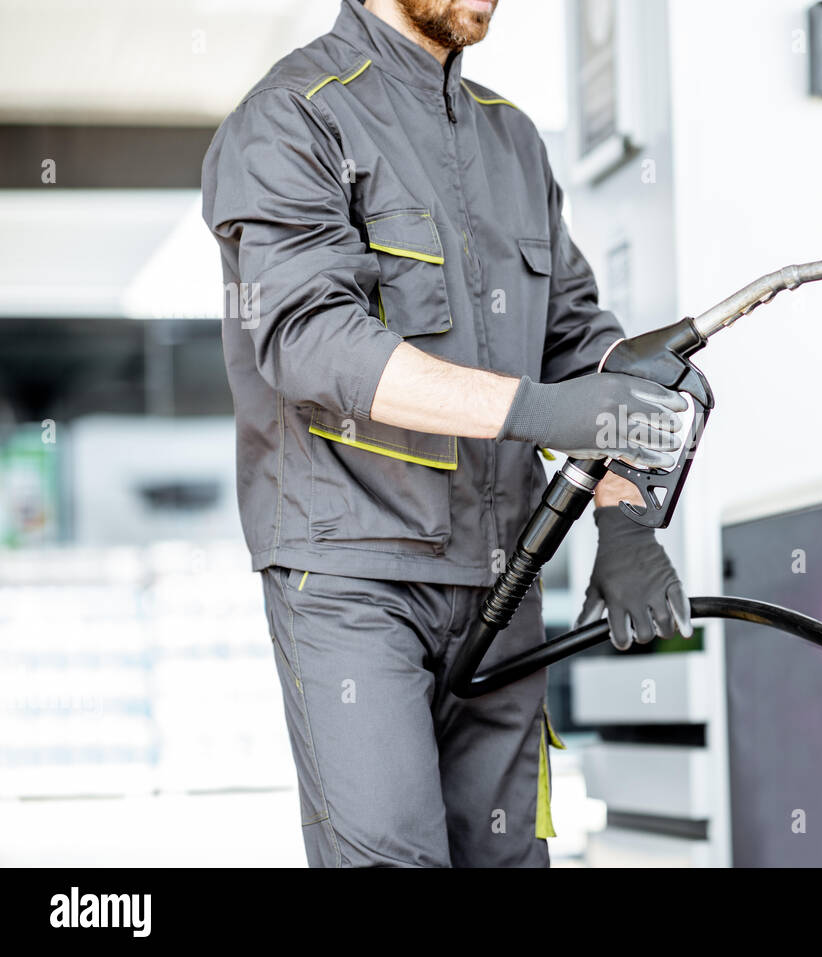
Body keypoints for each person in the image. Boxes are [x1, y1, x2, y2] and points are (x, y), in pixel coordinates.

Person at [201, 0, 692, 867]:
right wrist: (541, 414)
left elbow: (578, 345)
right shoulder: (293, 115)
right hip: (355, 579)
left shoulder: (513, 140)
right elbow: (312, 342)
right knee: (394, 858)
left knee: (508, 862)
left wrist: (624, 510)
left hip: (506, 572)